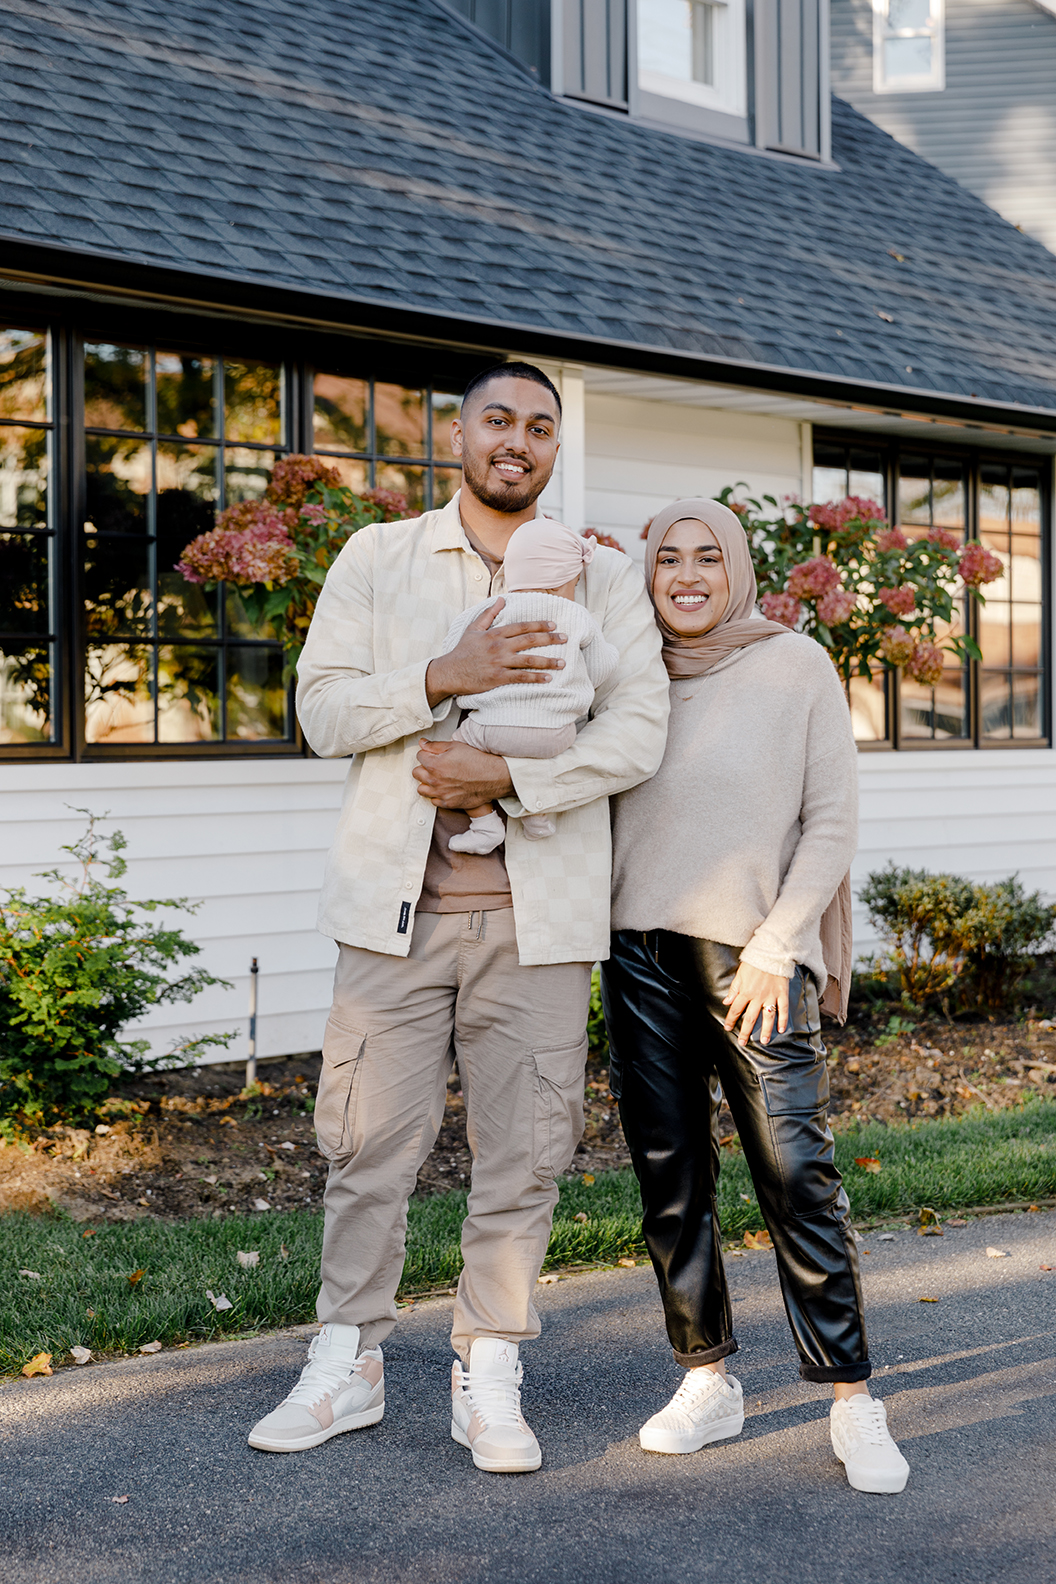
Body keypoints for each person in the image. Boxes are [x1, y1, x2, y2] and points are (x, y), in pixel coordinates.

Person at [247, 362, 670, 1472]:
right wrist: (446, 672)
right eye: (499, 420)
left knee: (523, 1156)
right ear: (459, 433)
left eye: (540, 426)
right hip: (391, 918)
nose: (517, 441)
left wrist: (508, 782)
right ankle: (349, 1360)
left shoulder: (599, 576)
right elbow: (323, 709)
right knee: (366, 1146)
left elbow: (638, 732)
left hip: (539, 922)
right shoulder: (378, 558)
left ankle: (487, 1368)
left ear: (554, 448)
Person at [601, 497, 910, 1496]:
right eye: (666, 560)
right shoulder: (626, 670)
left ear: (737, 567)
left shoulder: (793, 665)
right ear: (647, 574)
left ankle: (852, 1397)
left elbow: (831, 820)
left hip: (755, 954)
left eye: (706, 556)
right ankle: (707, 1380)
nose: (686, 574)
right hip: (636, 948)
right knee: (670, 1176)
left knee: (795, 1172)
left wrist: (781, 947)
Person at [441, 517, 619, 853]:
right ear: (558, 583)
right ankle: (538, 813)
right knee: (540, 758)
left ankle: (484, 824)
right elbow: (603, 665)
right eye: (574, 583)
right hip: (557, 735)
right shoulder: (577, 615)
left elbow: (453, 651)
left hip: (493, 728)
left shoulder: (490, 609)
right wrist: (571, 684)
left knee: (454, 750)